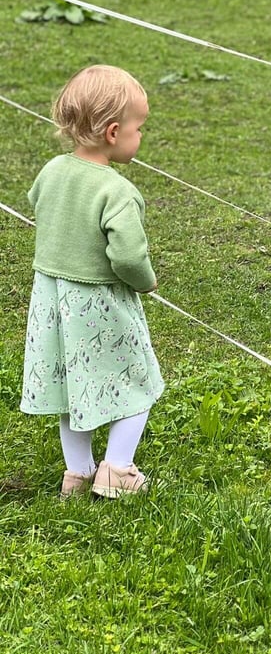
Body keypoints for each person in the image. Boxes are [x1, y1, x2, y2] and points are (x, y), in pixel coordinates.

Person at [20, 65, 164, 499]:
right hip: (99, 304)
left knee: (69, 385)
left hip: (51, 300)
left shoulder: (52, 171)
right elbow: (127, 256)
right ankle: (117, 469)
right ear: (115, 132)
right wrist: (145, 281)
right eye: (140, 128)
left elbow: (36, 203)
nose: (142, 136)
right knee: (137, 381)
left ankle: (77, 474)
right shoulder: (117, 192)